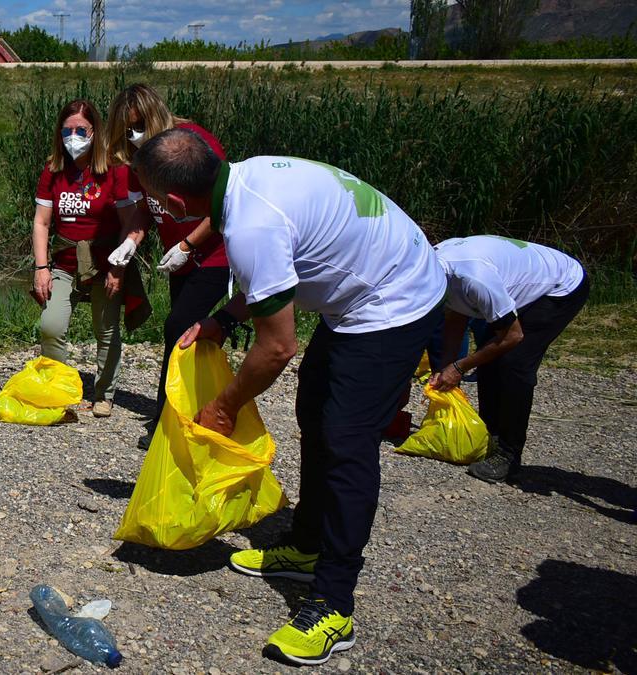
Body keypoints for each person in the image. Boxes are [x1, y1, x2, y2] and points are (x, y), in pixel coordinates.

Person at [134, 130, 447, 666]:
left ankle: (333, 602)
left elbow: (277, 347)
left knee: (346, 440)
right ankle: (305, 546)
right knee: (314, 409)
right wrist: (221, 319)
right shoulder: (244, 180)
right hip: (361, 292)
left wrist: (225, 405)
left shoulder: (253, 223)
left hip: (396, 299)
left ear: (180, 203)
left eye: (157, 200)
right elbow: (269, 279)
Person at [102, 84, 230, 441]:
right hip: (181, 259)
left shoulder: (195, 144)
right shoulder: (137, 160)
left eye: (138, 126)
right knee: (187, 332)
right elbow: (143, 210)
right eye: (126, 130)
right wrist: (132, 240)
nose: (133, 136)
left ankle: (165, 421)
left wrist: (189, 243)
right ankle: (192, 407)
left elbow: (224, 204)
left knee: (177, 327)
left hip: (217, 252)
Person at [431, 235, 589, 483]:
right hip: (518, 280)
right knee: (488, 355)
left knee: (514, 362)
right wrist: (445, 367)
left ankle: (508, 454)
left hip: (561, 286)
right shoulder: (435, 269)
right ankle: (490, 435)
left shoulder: (473, 278)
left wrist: (460, 368)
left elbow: (512, 336)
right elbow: (455, 318)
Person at [31, 99, 134, 417]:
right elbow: (41, 222)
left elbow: (130, 223)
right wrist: (40, 268)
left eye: (81, 130)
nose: (73, 136)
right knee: (51, 324)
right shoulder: (54, 169)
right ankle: (60, 388)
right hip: (62, 263)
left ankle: (104, 394)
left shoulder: (115, 169)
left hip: (105, 263)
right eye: (67, 130)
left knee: (106, 330)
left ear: (95, 130)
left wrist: (118, 267)